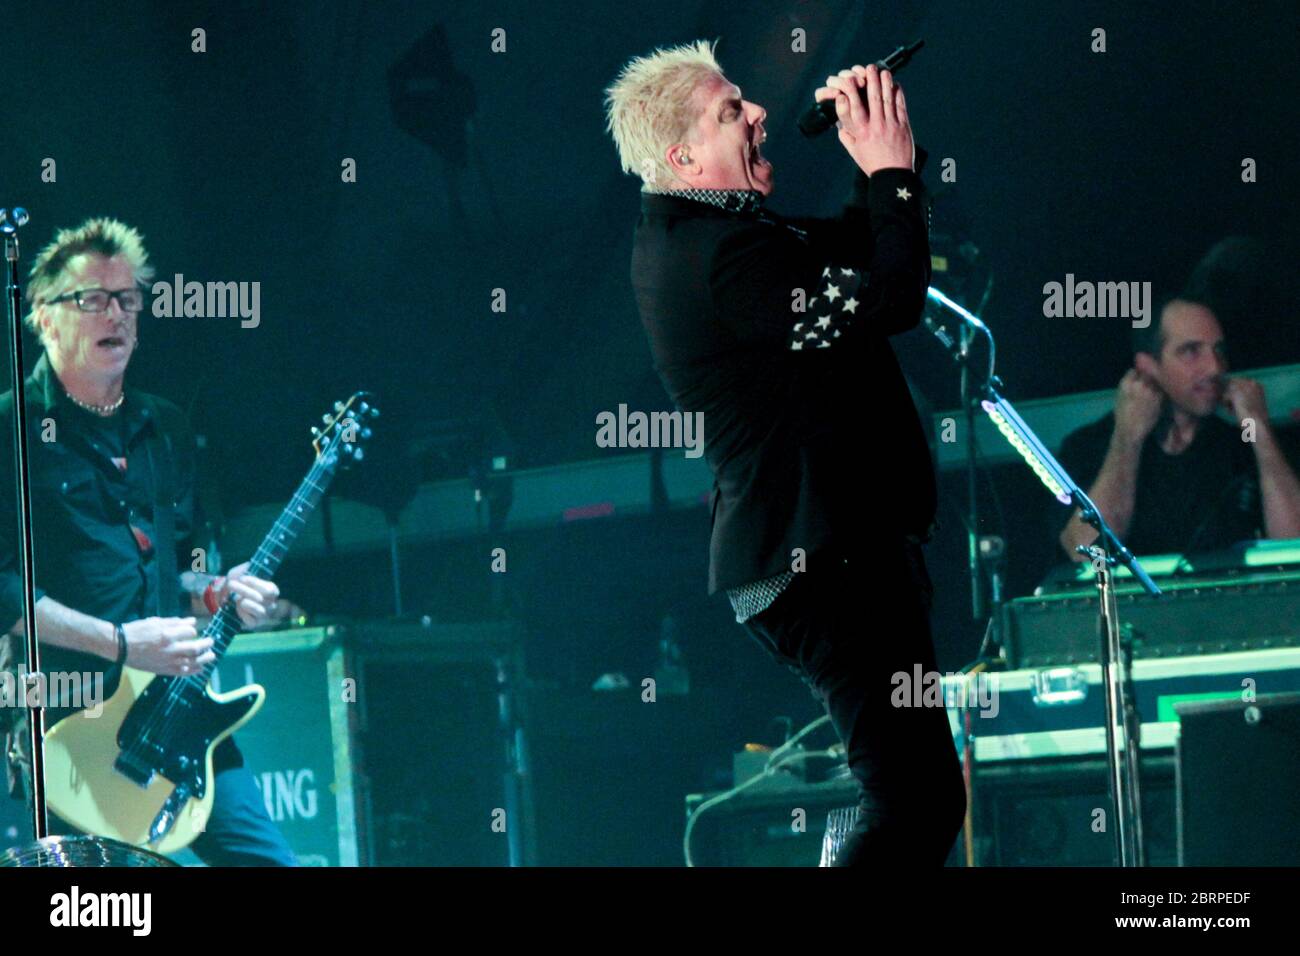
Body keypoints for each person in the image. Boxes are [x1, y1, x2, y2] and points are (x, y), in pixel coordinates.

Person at [606, 41, 965, 865]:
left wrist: (886, 153)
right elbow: (894, 297)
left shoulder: (714, 234)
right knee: (915, 799)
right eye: (732, 110)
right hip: (817, 556)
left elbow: (865, 243)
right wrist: (888, 173)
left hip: (825, 551)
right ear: (684, 155)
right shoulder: (717, 258)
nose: (760, 111)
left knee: (916, 795)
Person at [0, 217, 296, 865]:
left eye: (129, 298)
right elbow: (5, 595)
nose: (118, 313)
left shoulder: (166, 425)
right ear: (43, 318)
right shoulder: (11, 428)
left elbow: (176, 568)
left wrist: (217, 591)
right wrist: (120, 642)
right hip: (71, 720)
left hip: (176, 709)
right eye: (93, 299)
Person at [1055, 296, 1300, 561]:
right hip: (1133, 601)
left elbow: (1293, 545)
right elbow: (1086, 550)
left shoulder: (1241, 441)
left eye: (1219, 350)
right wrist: (1128, 439)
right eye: (1191, 351)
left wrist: (1258, 427)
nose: (1214, 367)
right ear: (1147, 366)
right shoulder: (1091, 445)